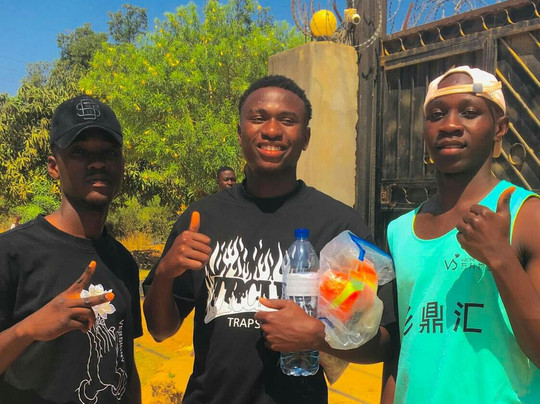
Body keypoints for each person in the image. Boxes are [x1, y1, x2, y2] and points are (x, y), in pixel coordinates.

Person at [143, 75, 396, 404]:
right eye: (259, 118)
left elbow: (383, 343)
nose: (272, 130)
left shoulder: (340, 227)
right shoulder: (201, 219)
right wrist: (165, 273)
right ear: (240, 133)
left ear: (306, 137)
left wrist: (319, 337)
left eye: (287, 120)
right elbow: (160, 330)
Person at [387, 66, 540, 403]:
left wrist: (500, 256)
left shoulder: (527, 215)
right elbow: (401, 349)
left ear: (499, 128)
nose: (450, 125)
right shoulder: (399, 231)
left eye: (469, 113)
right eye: (436, 115)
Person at [0, 95, 143, 403]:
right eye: (79, 152)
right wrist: (29, 329)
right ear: (54, 166)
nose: (98, 163)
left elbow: (127, 368)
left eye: (109, 152)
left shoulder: (123, 262)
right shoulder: (10, 254)